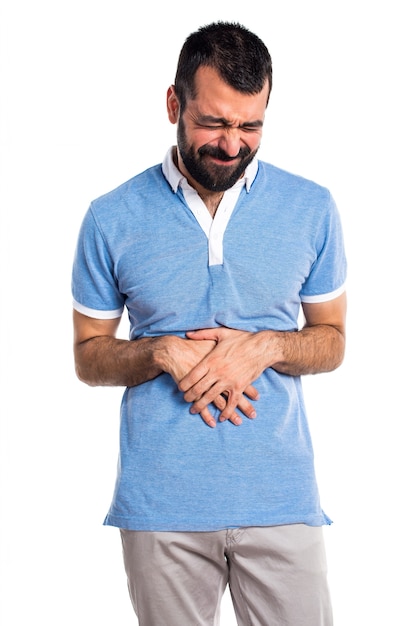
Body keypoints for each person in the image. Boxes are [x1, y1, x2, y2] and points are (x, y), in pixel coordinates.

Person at [72, 21, 347, 626]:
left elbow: (332, 341)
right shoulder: (110, 217)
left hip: (282, 495)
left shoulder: (312, 207)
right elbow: (88, 355)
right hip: (161, 503)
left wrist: (266, 348)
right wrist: (159, 353)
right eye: (214, 123)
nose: (231, 144)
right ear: (174, 103)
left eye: (250, 126)